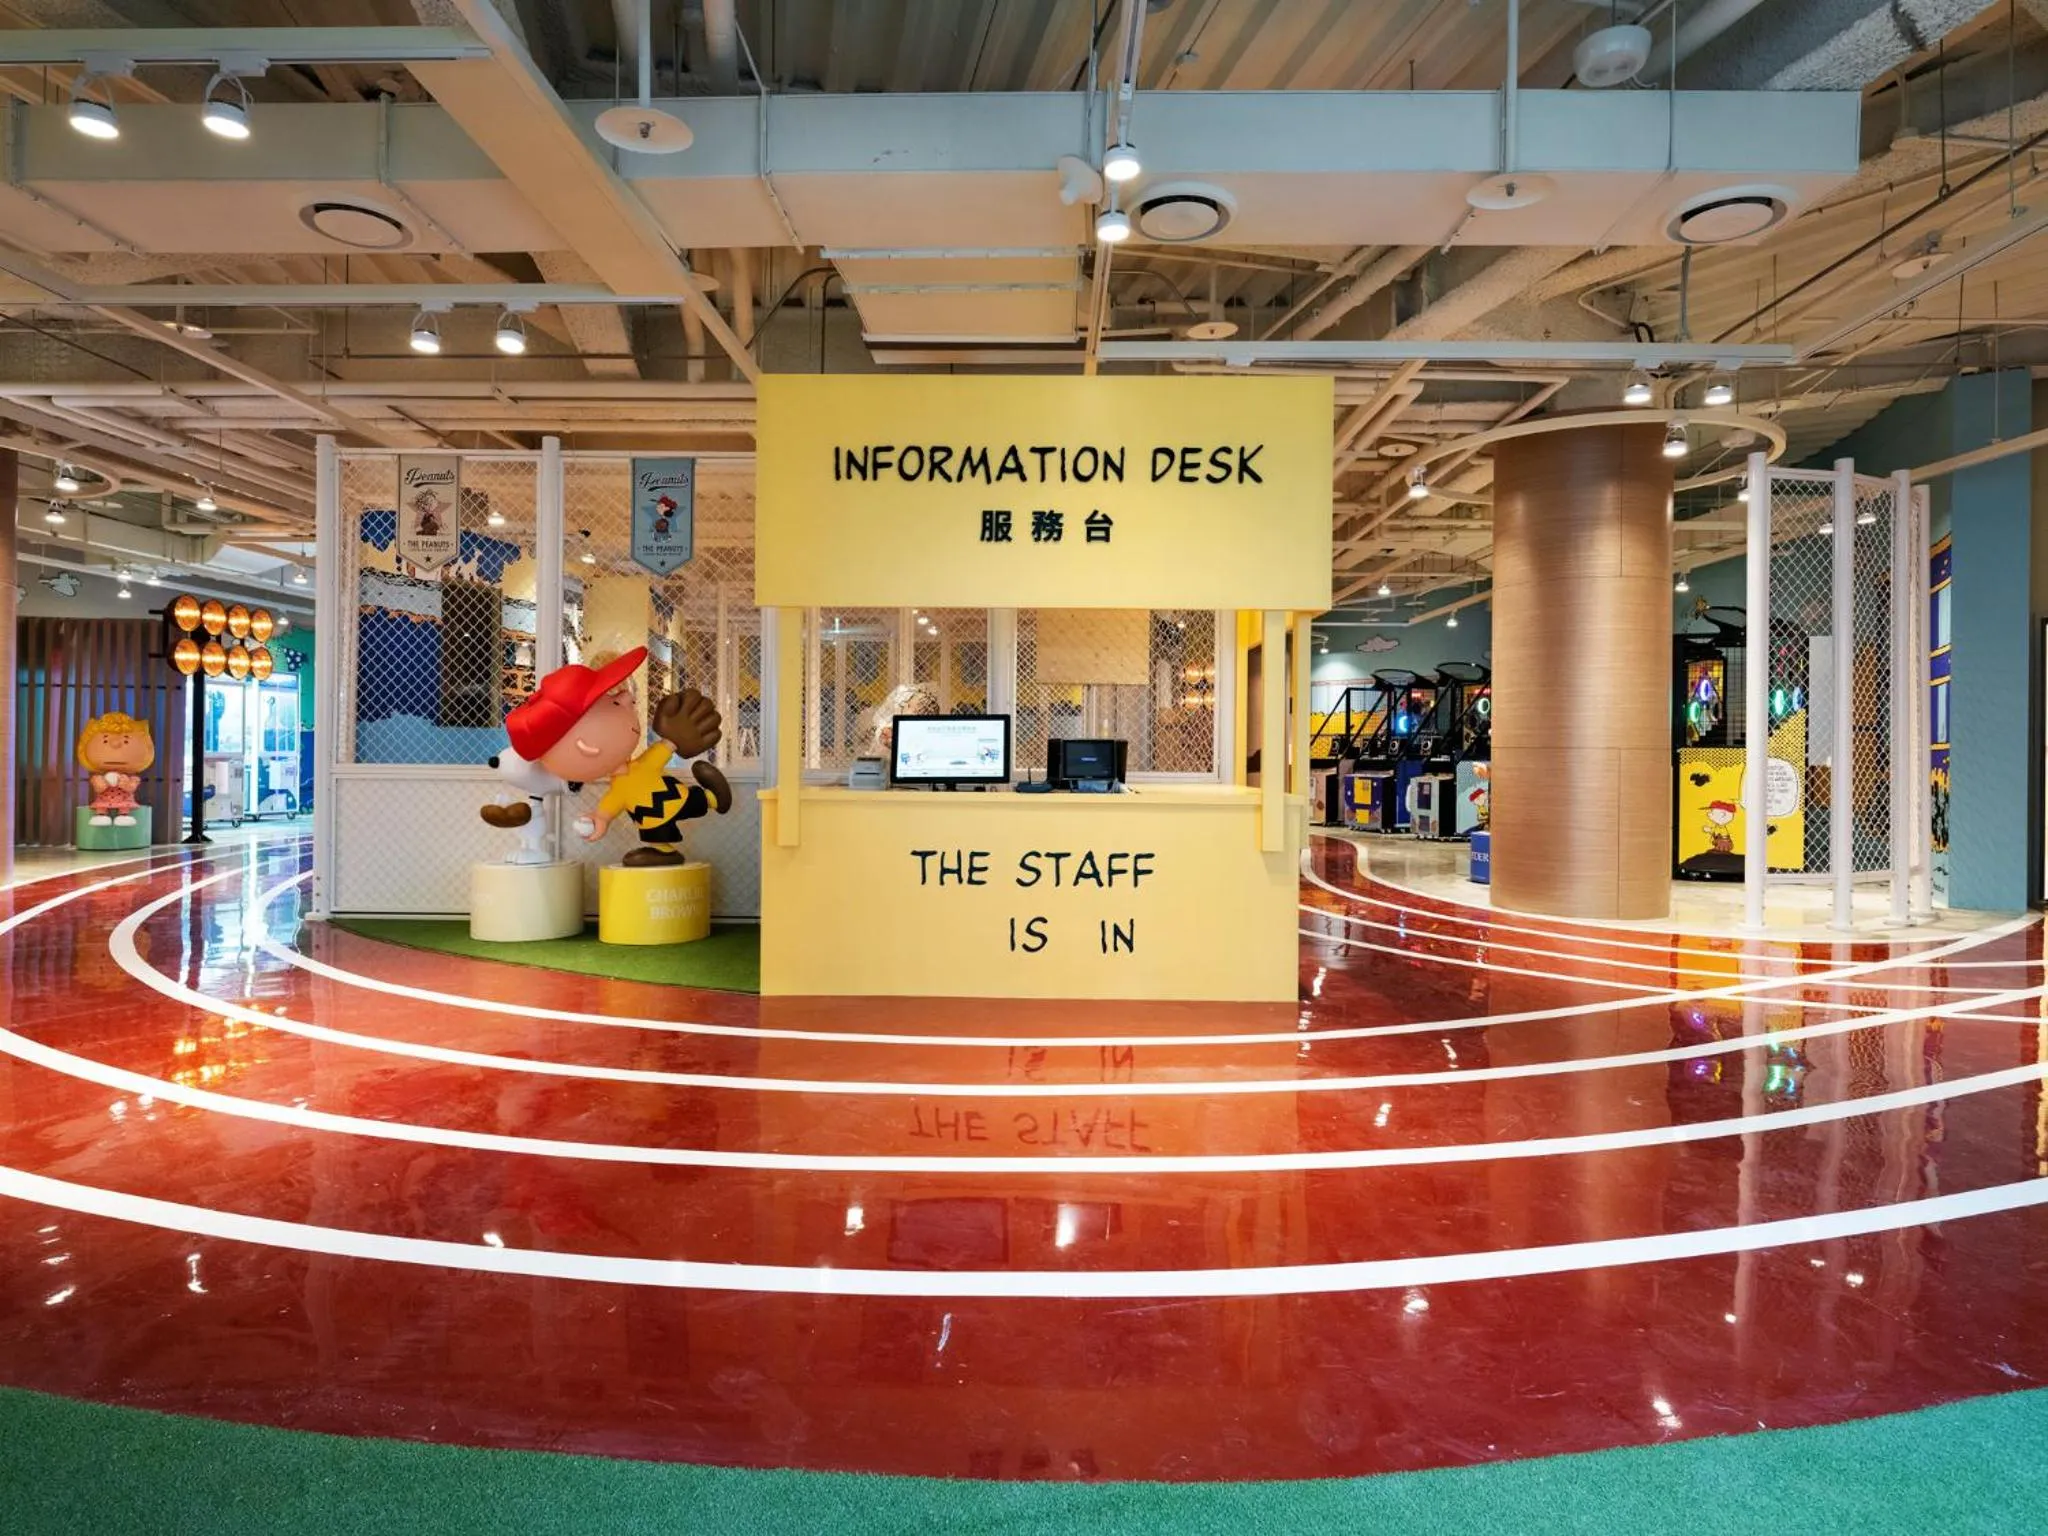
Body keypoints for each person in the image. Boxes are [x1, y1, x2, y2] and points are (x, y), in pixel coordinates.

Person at [503, 647, 731, 868]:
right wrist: (601, 818)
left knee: (688, 802)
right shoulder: (616, 772)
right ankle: (678, 834)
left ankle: (712, 799)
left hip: (663, 795)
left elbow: (649, 759)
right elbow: (613, 800)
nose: (627, 698)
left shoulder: (635, 766)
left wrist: (672, 741)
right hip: (649, 810)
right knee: (665, 821)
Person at [77, 713, 154, 826]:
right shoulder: (98, 777)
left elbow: (131, 788)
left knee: (124, 808)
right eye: (105, 740)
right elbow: (98, 788)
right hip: (103, 801)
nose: (115, 744)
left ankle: (124, 815)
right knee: (101, 807)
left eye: (126, 741)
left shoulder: (132, 778)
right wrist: (102, 783)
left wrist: (126, 784)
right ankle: (101, 815)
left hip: (124, 801)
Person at [865, 683, 941, 758]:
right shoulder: (901, 695)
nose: (905, 705)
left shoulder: (923, 729)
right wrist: (883, 731)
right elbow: (878, 720)